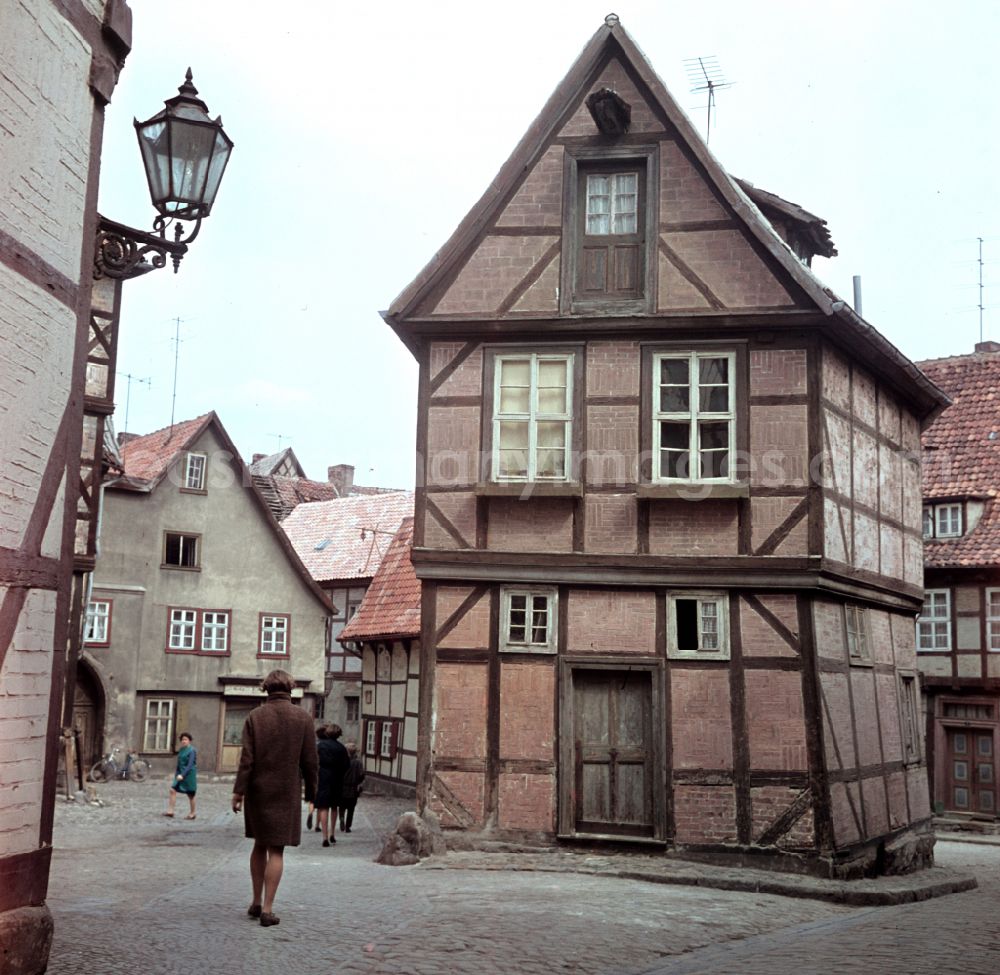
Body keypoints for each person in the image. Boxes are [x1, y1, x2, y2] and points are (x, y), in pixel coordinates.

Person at [232, 670, 318, 928]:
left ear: (266, 689)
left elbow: (247, 759)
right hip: (286, 790)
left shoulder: (255, 717)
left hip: (258, 790)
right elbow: (311, 762)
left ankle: (256, 901)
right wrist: (312, 793)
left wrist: (239, 791)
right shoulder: (303, 718)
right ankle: (268, 909)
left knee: (259, 844)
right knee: (276, 850)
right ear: (291, 688)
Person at [314, 723, 349, 847]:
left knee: (323, 807)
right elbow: (346, 765)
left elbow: (315, 761)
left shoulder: (320, 746)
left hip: (324, 777)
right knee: (334, 806)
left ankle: (324, 837)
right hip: (337, 778)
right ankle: (332, 834)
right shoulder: (341, 748)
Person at [164, 732, 197, 819]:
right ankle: (170, 811)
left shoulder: (192, 750)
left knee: (191, 794)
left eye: (185, 739)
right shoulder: (182, 750)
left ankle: (193, 813)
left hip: (189, 775)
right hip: (179, 774)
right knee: (172, 790)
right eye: (182, 739)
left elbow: (190, 765)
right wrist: (177, 774)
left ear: (189, 741)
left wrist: (183, 775)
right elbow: (179, 763)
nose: (184, 741)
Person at [339, 740, 365, 833]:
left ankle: (341, 818)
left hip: (342, 788)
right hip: (353, 789)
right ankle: (348, 826)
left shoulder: (341, 761)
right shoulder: (358, 763)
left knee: (342, 807)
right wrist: (359, 781)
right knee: (351, 809)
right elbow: (362, 775)